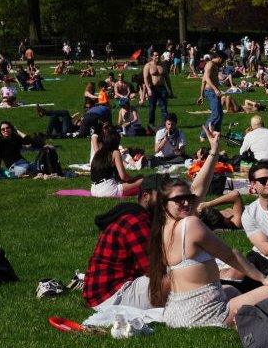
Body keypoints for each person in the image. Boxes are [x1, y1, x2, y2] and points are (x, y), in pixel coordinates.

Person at [83, 128, 223, 309]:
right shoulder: (135, 222)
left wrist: (213, 153)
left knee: (197, 270)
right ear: (146, 196)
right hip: (109, 296)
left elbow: (194, 193)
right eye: (163, 195)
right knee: (188, 275)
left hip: (129, 283)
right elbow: (155, 271)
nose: (168, 199)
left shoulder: (153, 216)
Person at [147, 177, 268, 328]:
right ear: (163, 204)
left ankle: (245, 318)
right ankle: (243, 321)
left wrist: (213, 154)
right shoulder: (190, 224)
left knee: (231, 289)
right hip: (204, 315)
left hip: (177, 313)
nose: (186, 203)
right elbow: (230, 255)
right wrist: (263, 279)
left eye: (189, 198)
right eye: (179, 199)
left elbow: (200, 188)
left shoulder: (161, 230)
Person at [90, 128, 142, 198]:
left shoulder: (98, 153)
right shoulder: (115, 153)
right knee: (142, 179)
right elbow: (123, 176)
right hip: (107, 190)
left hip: (93, 190)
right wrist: (133, 179)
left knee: (134, 180)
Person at [198, 50, 225, 140]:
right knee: (215, 114)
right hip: (211, 91)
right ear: (219, 58)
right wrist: (215, 89)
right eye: (223, 60)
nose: (223, 62)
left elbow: (203, 81)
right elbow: (207, 78)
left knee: (220, 114)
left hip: (212, 91)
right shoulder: (210, 64)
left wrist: (201, 95)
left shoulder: (213, 65)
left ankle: (216, 133)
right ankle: (203, 134)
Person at [143, 50, 169, 127]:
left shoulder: (162, 65)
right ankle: (151, 124)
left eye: (158, 55)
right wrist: (148, 89)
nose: (157, 57)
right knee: (152, 107)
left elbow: (167, 78)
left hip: (162, 88)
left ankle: (165, 124)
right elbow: (145, 78)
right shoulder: (148, 66)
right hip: (153, 88)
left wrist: (170, 90)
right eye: (156, 55)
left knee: (164, 107)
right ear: (152, 57)